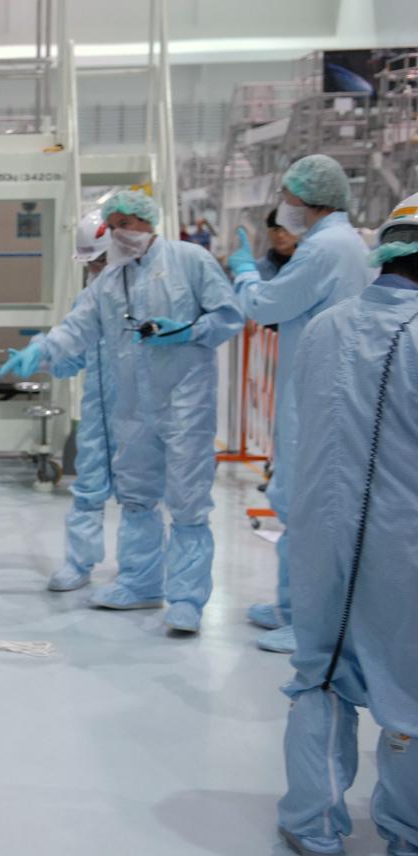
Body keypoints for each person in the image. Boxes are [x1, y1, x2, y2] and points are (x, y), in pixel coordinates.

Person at [0, 190, 243, 633]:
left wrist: (187, 331)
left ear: (149, 221)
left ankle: (187, 599)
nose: (119, 234)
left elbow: (228, 316)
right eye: (113, 226)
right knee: (136, 498)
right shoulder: (110, 282)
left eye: (127, 223)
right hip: (133, 408)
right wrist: (40, 350)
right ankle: (140, 583)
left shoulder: (190, 260)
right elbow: (76, 329)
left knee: (187, 502)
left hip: (185, 404)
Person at [275, 193, 418, 856]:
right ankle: (406, 830)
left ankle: (314, 823)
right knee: (410, 689)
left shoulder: (328, 327)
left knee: (321, 673)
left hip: (317, 537)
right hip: (403, 542)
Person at [226, 154, 370, 654]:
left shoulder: (324, 247)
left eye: (287, 196)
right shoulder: (342, 243)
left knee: (310, 508)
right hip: (318, 385)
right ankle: (292, 607)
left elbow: (267, 306)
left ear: (309, 199)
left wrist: (246, 273)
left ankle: (312, 623)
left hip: (319, 392)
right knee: (295, 500)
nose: (283, 206)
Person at [46, 210, 120, 592]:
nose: (96, 269)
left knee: (141, 497)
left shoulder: (146, 292)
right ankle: (79, 563)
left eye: (101, 261)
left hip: (140, 411)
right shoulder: (86, 299)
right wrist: (51, 357)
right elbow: (74, 353)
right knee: (88, 486)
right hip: (97, 408)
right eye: (90, 263)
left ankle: (140, 575)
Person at [257, 207, 299, 280]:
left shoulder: (308, 263)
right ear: (269, 233)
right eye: (275, 229)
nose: (280, 235)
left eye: (286, 229)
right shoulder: (257, 269)